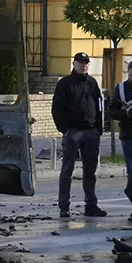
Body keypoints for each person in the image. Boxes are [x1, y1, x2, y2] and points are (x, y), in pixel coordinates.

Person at [51, 52, 106, 219]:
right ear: (73, 63)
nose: (84, 65)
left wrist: (98, 128)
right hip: (73, 131)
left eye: (86, 63)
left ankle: (91, 205)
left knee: (90, 170)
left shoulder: (92, 83)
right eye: (81, 62)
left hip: (91, 132)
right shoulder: (65, 83)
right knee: (67, 169)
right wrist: (64, 129)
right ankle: (64, 206)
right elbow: (57, 108)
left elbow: (99, 106)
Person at [107, 60, 132, 219]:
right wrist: (126, 113)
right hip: (128, 134)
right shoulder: (121, 88)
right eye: (131, 75)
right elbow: (112, 111)